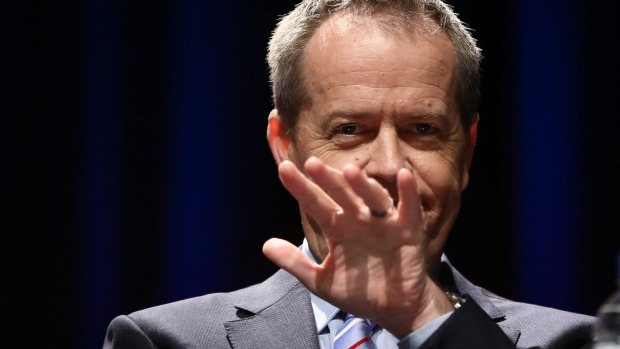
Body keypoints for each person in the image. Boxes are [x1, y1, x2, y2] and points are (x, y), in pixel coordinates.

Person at [103, 0, 595, 348]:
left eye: (423, 129)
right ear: (284, 145)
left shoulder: (576, 342)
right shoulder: (167, 341)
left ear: (466, 149)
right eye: (350, 130)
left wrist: (422, 314)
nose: (386, 166)